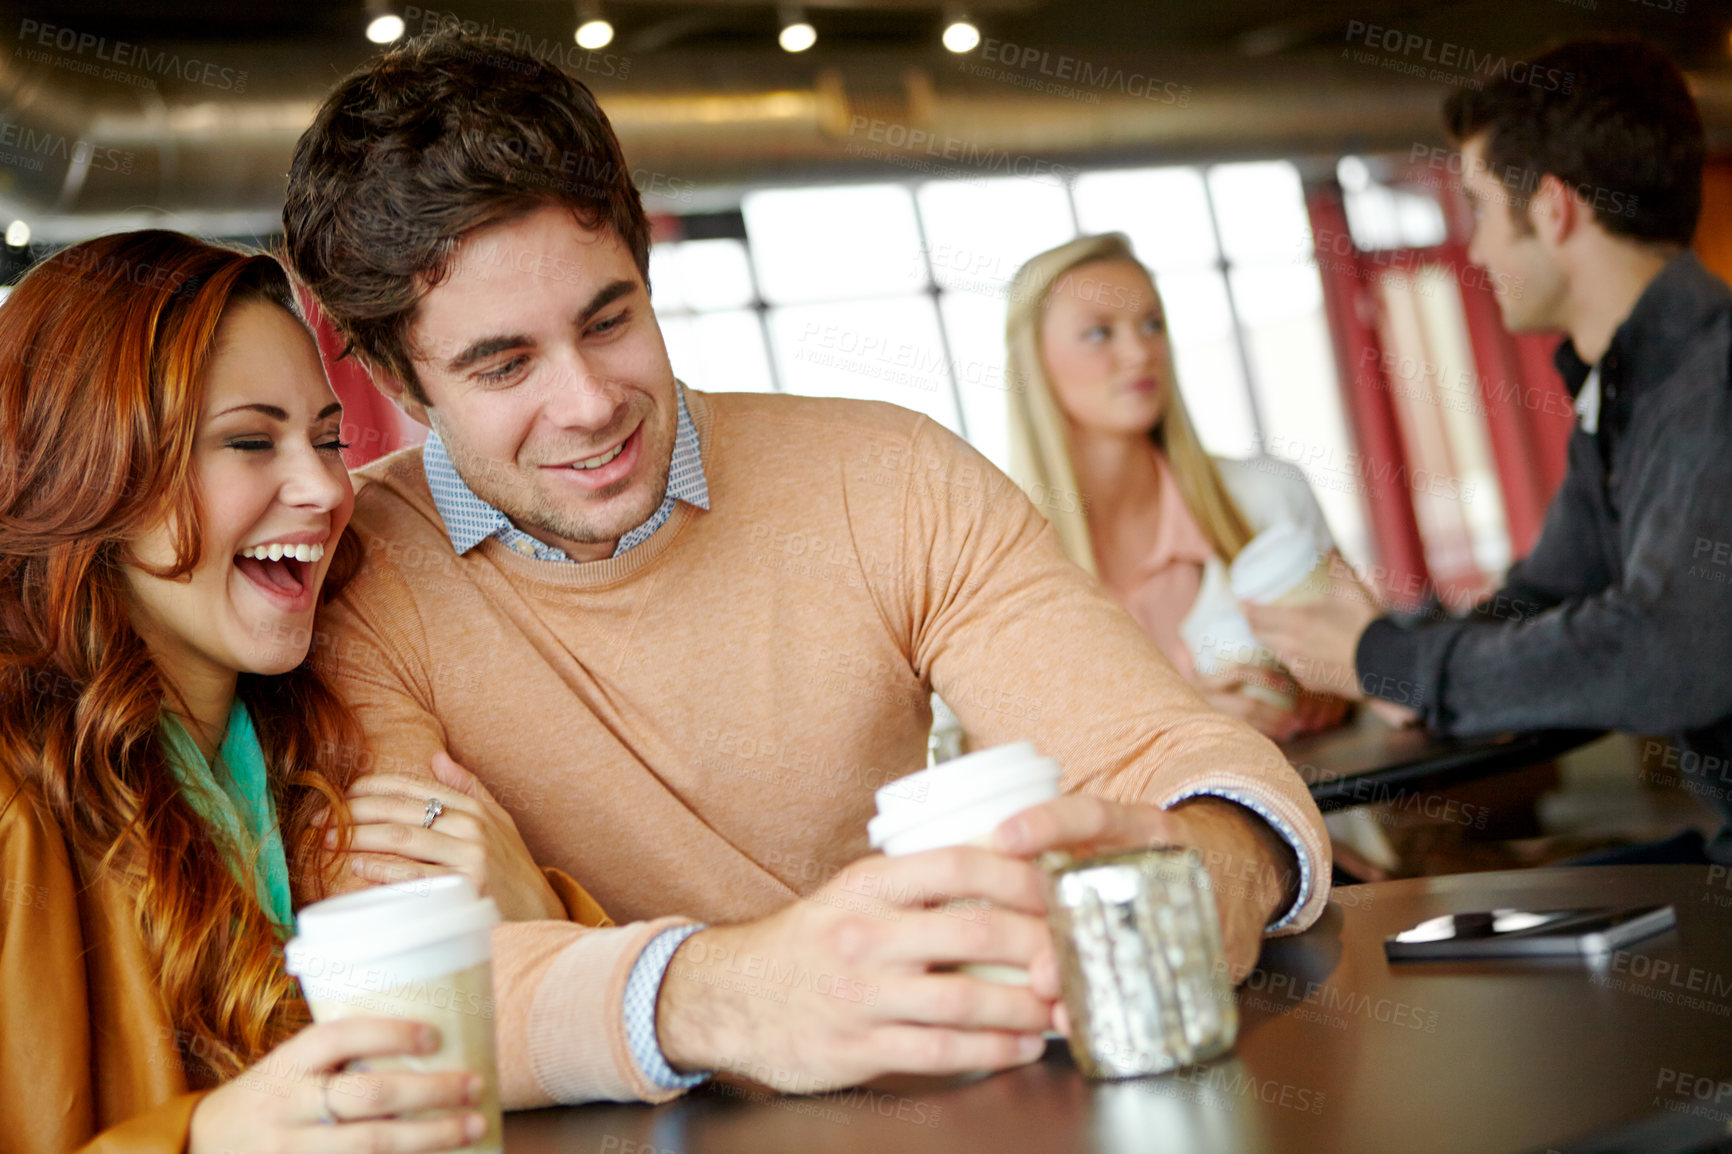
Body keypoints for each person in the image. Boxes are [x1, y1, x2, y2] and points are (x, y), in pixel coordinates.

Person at [281, 30, 1332, 1107]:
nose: (590, 401)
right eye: (503, 363)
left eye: (611, 320)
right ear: (395, 379)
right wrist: (724, 994)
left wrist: (1208, 866)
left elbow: (1184, 759)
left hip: (952, 1109)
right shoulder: (351, 581)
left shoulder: (888, 474)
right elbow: (407, 999)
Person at [0, 231, 612, 1153]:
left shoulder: (318, 749)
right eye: (250, 440)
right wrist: (203, 1139)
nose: (326, 487)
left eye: (329, 439)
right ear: (91, 471)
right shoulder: (19, 812)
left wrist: (537, 920)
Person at [1246, 37, 1732, 864]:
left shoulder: (1713, 378)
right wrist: (1400, 667)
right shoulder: (1624, 388)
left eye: (1477, 208)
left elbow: (1669, 653)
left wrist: (1391, 662)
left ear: (1552, 209)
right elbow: (1547, 594)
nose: (1473, 252)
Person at [1004, 232, 1351, 742]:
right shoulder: (1001, 558)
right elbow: (994, 743)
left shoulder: (1271, 496)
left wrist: (1325, 691)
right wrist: (1178, 723)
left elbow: (1365, 669)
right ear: (1035, 361)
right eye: (1100, 333)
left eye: (1152, 325)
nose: (1140, 352)